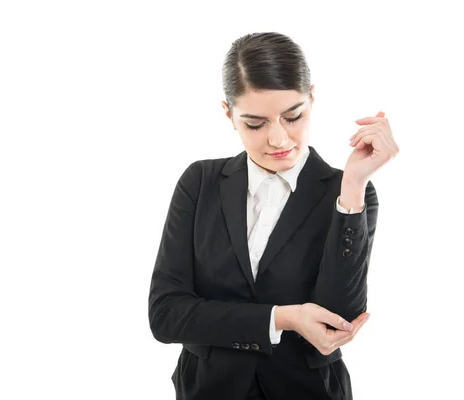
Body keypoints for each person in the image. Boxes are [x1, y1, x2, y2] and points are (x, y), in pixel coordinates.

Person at [148, 32, 399, 400]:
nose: (279, 139)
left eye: (293, 116)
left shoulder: (347, 194)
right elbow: (166, 315)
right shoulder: (200, 183)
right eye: (255, 123)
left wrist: (353, 186)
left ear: (311, 98)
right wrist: (282, 318)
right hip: (209, 390)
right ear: (228, 113)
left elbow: (337, 322)